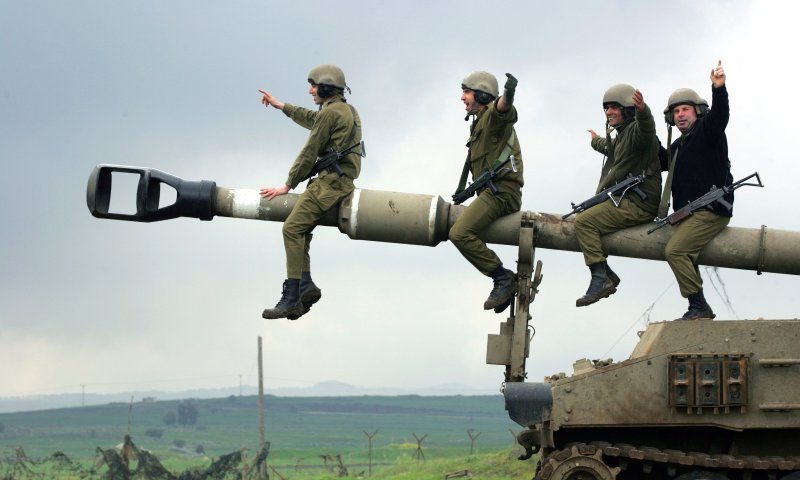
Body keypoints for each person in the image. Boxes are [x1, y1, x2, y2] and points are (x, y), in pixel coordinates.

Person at [258, 64, 363, 320]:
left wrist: (288, 184)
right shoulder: (344, 110)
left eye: (314, 86)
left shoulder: (331, 114)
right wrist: (282, 106)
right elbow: (313, 119)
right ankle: (305, 285)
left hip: (330, 184)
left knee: (292, 229)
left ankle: (292, 296)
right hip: (339, 180)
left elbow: (309, 151)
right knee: (300, 229)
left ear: (326, 87)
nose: (310, 90)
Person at [574, 84, 662, 307]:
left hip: (639, 203)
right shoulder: (623, 135)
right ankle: (606, 275)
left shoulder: (636, 131)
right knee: (585, 215)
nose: (609, 112)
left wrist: (644, 111)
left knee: (584, 222)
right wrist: (595, 140)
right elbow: (611, 148)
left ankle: (600, 278)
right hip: (627, 198)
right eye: (607, 108)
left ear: (628, 110)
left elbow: (646, 129)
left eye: (615, 107)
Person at [660, 60, 731, 320]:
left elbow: (720, 115)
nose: (680, 115)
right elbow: (657, 160)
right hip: (690, 213)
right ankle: (698, 305)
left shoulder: (708, 131)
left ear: (697, 112)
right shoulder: (679, 146)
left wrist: (718, 88)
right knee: (684, 252)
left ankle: (699, 306)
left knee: (675, 251)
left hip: (711, 209)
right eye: (676, 111)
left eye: (685, 109)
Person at [449, 71, 524, 312]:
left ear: (482, 95)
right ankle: (504, 284)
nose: (462, 97)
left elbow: (503, 108)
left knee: (459, 234)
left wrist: (508, 93)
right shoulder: (479, 123)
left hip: (502, 193)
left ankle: (502, 278)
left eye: (467, 92)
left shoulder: (492, 117)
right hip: (491, 193)